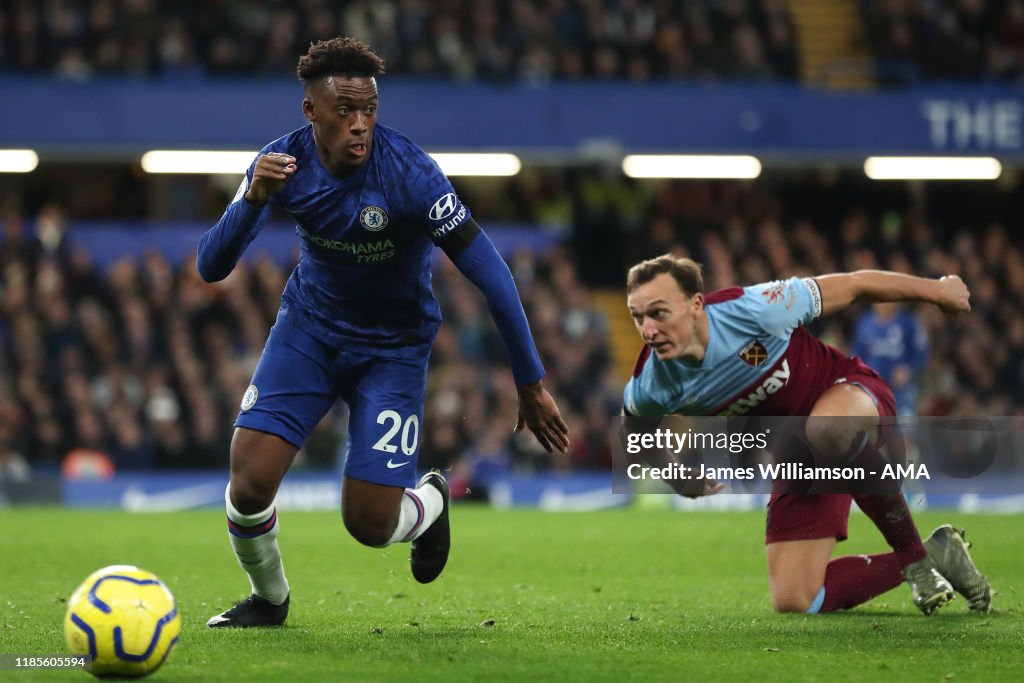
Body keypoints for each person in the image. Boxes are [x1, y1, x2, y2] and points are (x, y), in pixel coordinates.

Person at [197, 37, 569, 628]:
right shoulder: (280, 164)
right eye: (344, 112)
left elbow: (492, 274)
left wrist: (530, 380)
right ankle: (269, 600)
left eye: (368, 110)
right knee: (248, 483)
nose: (359, 125)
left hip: (391, 349)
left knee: (369, 525)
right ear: (311, 112)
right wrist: (249, 198)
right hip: (309, 332)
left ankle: (431, 500)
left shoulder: (411, 175)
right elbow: (210, 267)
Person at [623, 255, 991, 615]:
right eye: (637, 317)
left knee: (826, 428)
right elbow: (635, 433)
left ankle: (915, 563)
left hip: (851, 396)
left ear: (696, 304)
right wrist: (675, 476)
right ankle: (939, 553)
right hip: (799, 455)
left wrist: (937, 290)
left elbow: (855, 284)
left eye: (658, 313)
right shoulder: (652, 383)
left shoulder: (756, 308)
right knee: (796, 598)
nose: (648, 330)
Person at [852, 302, 928, 417]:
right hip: (873, 388)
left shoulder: (908, 323)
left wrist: (907, 369)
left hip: (901, 389)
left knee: (904, 427)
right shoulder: (864, 323)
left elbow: (920, 352)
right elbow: (857, 354)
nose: (883, 304)